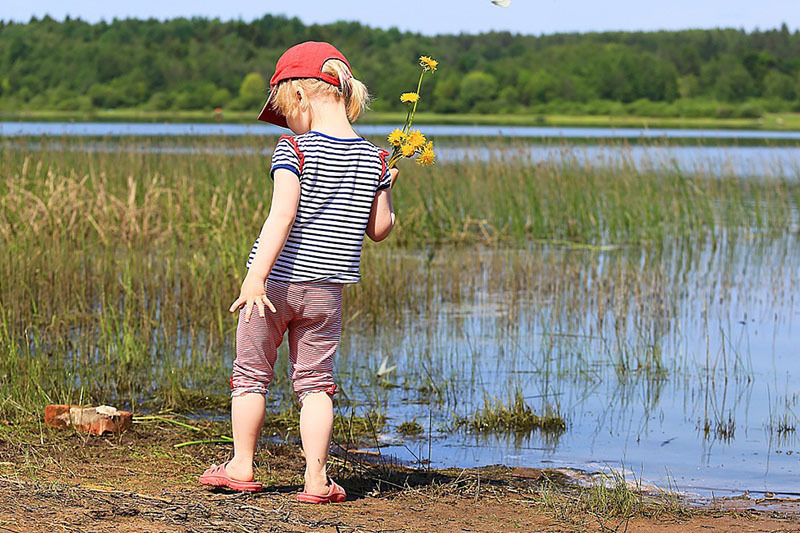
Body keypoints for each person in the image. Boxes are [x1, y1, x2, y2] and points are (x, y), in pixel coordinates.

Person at [199, 41, 397, 504]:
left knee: (250, 376)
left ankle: (242, 466)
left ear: (301, 98)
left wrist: (255, 278)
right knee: (315, 384)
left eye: (285, 110)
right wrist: (386, 182)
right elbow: (381, 229)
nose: (285, 121)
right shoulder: (375, 157)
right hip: (327, 291)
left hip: (272, 286)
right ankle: (315, 479)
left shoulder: (293, 147)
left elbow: (281, 216)